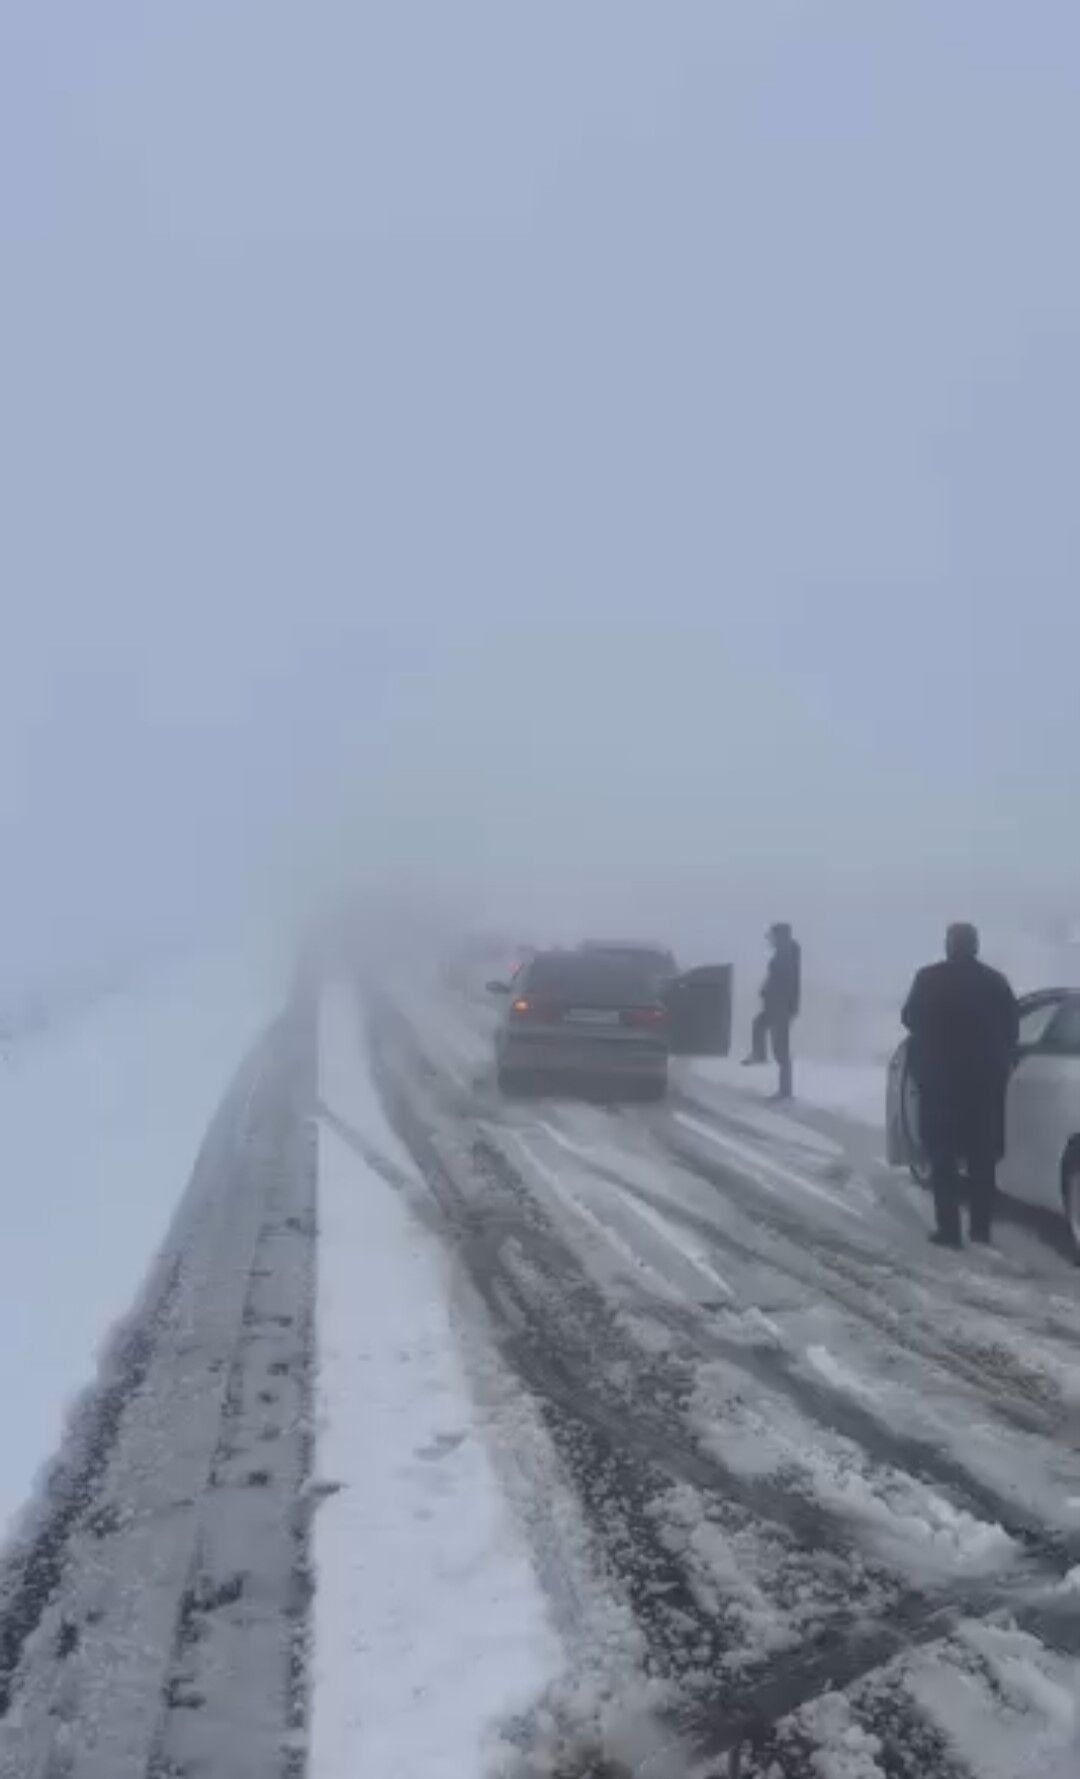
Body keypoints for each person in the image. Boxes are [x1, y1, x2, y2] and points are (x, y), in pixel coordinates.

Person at [901, 923, 1018, 1249]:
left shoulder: (928, 978)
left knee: (942, 1158)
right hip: (984, 1086)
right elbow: (1012, 1027)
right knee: (982, 1160)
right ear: (976, 946)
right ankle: (981, 1230)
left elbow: (909, 1017)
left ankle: (949, 1231)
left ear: (950, 945)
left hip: (940, 1083)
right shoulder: (995, 982)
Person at [742, 922, 801, 1099]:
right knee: (759, 1024)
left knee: (780, 1049)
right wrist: (765, 990)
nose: (771, 940)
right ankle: (759, 1054)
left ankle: (785, 1092)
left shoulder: (786, 955)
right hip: (776, 1005)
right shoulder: (785, 953)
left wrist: (788, 1005)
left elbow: (785, 982)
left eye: (773, 937)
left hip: (780, 1007)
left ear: (780, 936)